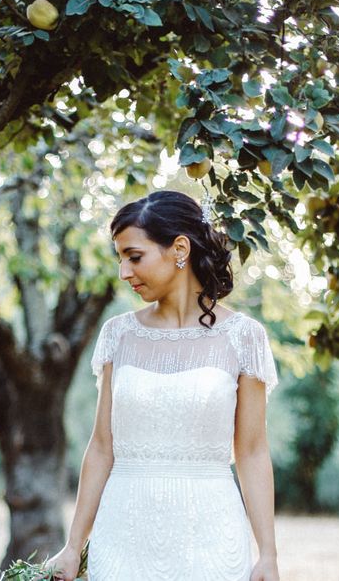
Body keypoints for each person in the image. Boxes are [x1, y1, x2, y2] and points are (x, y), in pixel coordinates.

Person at [46, 189, 281, 581]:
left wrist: (268, 554)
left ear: (179, 249)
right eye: (120, 259)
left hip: (211, 535)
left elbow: (253, 451)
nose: (124, 273)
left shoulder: (244, 338)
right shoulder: (117, 336)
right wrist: (73, 546)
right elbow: (102, 447)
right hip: (123, 535)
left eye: (134, 257)